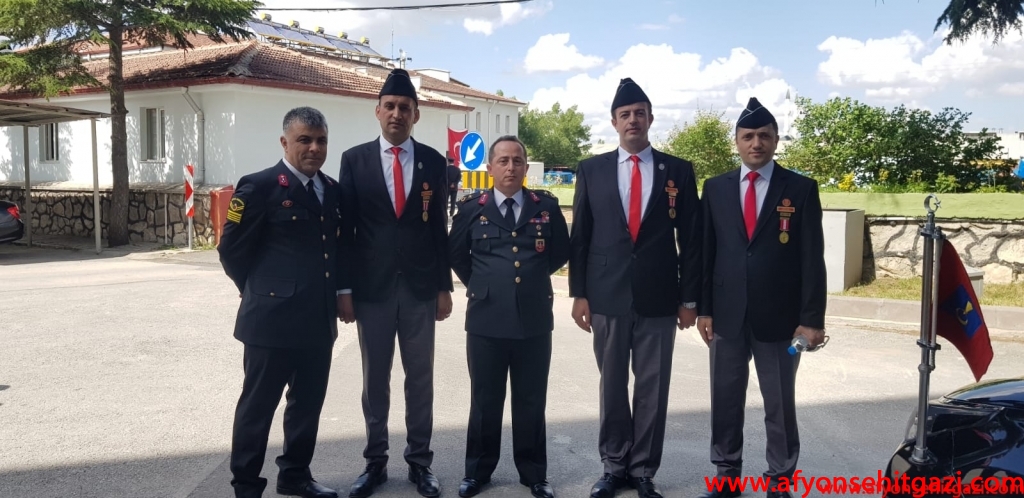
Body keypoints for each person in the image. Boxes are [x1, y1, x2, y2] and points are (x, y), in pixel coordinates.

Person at [568, 78, 701, 498]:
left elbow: (692, 241)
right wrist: (579, 293)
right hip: (605, 294)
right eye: (625, 114)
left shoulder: (677, 171)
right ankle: (613, 466)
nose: (633, 120)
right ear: (614, 122)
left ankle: (642, 470)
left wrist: (689, 298)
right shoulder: (591, 169)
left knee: (652, 388)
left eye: (639, 113)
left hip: (660, 296)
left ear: (650, 118)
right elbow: (581, 236)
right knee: (611, 386)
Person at [695, 98, 827, 498]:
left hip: (781, 319)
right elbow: (705, 253)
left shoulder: (800, 189)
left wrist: (812, 320)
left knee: (779, 403)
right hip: (726, 315)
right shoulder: (715, 188)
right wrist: (704, 309)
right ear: (736, 142)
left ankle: (780, 479)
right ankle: (726, 473)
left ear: (776, 140)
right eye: (748, 136)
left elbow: (812, 259)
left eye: (764, 136)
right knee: (725, 398)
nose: (756, 143)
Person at [338, 68, 454, 498]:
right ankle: (375, 462)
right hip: (372, 290)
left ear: (416, 115)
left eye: (405, 107)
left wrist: (444, 287)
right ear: (377, 111)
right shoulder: (354, 160)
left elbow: (438, 228)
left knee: (420, 378)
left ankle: (420, 462)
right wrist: (344, 290)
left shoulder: (433, 162)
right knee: (375, 380)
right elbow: (346, 232)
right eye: (390, 106)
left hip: (421, 289)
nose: (397, 113)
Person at [218, 107, 344, 498]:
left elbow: (335, 251)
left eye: (321, 140)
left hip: (317, 320)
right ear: (284, 142)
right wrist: (257, 289)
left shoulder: (332, 190)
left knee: (307, 406)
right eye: (305, 139)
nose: (314, 148)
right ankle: (246, 486)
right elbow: (231, 250)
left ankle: (295, 476)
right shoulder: (259, 187)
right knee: (257, 408)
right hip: (270, 322)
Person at [448, 136, 569, 498]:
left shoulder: (546, 207)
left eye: (517, 161)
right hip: (486, 319)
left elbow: (560, 253)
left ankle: (534, 474)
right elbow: (457, 255)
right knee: (485, 400)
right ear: (490, 168)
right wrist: (486, 285)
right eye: (503, 161)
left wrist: (529, 280)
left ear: (526, 167)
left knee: (531, 399)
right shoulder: (472, 208)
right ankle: (477, 472)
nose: (511, 167)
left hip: (534, 318)